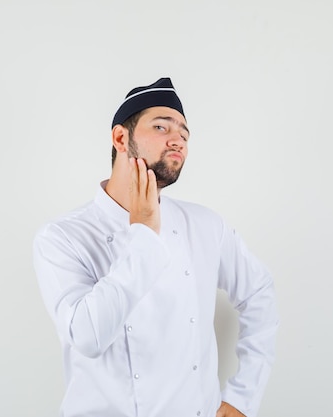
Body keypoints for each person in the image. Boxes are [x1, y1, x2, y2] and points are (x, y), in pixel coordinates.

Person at [33, 77, 278, 417]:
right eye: (161, 127)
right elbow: (88, 336)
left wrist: (242, 397)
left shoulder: (206, 225)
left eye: (184, 133)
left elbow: (259, 292)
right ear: (121, 137)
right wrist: (145, 231)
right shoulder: (63, 236)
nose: (177, 139)